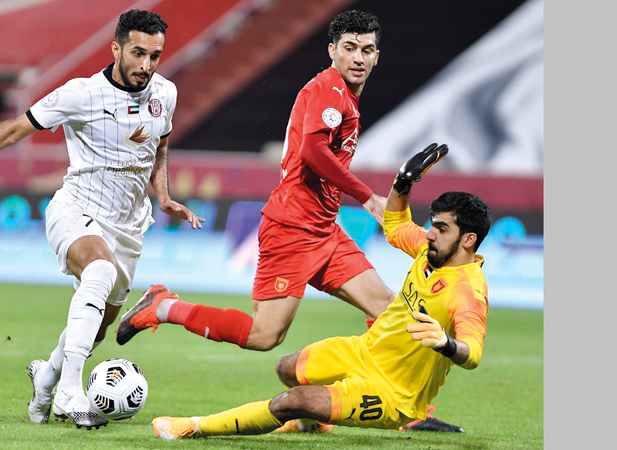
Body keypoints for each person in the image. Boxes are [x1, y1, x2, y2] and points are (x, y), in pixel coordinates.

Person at [115, 9, 460, 432]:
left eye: (367, 50)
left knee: (390, 311)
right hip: (291, 229)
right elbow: (313, 152)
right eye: (349, 48)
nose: (358, 57)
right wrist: (366, 196)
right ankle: (164, 306)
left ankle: (407, 412)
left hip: (324, 229)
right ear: (332, 50)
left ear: (377, 56)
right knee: (264, 336)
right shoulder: (329, 89)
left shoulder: (345, 96)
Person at [0, 9, 204, 430]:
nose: (146, 65)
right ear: (116, 48)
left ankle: (48, 376)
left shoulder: (166, 92)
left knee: (99, 329)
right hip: (76, 209)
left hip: (128, 227)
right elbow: (15, 128)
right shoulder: (81, 95)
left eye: (155, 56)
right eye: (138, 53)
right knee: (100, 270)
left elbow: (159, 147)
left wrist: (162, 196)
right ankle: (71, 391)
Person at [149, 142, 492, 440]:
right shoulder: (428, 250)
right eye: (432, 225)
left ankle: (193, 427)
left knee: (294, 400)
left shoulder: (468, 292)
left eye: (441, 229)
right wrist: (402, 183)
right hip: (363, 352)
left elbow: (473, 353)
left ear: (468, 240)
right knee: (286, 368)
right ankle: (311, 425)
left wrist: (445, 343)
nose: (429, 233)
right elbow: (396, 224)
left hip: (393, 393)